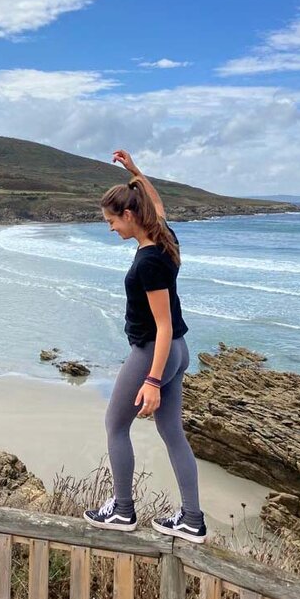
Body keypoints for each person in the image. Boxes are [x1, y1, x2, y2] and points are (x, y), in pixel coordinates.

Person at [83, 149, 206, 543]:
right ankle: (191, 519)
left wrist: (152, 380)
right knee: (172, 431)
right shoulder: (164, 237)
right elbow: (157, 203)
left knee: (115, 426)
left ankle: (122, 510)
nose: (110, 228)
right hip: (180, 351)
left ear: (129, 216)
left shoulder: (149, 261)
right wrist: (136, 173)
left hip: (157, 350)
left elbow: (164, 323)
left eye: (112, 220)